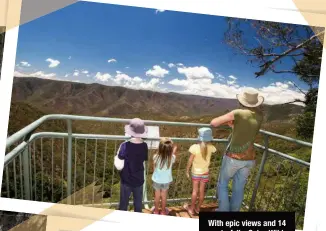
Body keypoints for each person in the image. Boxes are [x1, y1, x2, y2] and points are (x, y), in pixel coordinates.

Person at [210, 88, 264, 212]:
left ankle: (223, 211)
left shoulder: (238, 113)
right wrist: (234, 126)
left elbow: (214, 123)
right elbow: (247, 130)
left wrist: (230, 120)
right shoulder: (259, 116)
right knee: (239, 188)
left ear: (243, 101)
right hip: (250, 158)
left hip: (234, 157)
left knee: (222, 184)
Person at [116, 118, 149, 213]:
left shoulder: (124, 146)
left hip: (126, 179)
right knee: (138, 204)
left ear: (130, 132)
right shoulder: (144, 146)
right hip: (138, 179)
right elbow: (144, 158)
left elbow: (120, 157)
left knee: (123, 203)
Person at [184, 127, 217, 215]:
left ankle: (191, 209)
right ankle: (198, 208)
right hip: (205, 173)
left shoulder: (194, 147)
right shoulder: (211, 147)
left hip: (195, 173)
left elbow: (190, 160)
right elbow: (214, 149)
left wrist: (187, 170)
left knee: (195, 191)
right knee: (202, 191)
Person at [151, 138, 178, 215]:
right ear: (170, 149)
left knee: (157, 196)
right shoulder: (171, 158)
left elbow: (154, 166)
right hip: (166, 180)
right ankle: (163, 211)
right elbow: (172, 153)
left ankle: (156, 211)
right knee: (164, 196)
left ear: (159, 148)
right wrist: (172, 144)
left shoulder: (155, 157)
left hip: (157, 179)